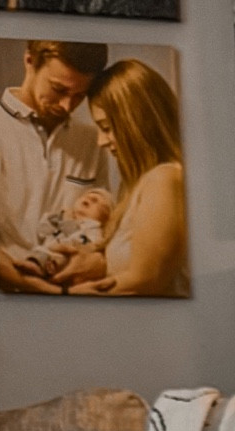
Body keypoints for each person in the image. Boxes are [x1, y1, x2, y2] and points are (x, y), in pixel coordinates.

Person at [65, 56, 188, 296]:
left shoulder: (164, 179)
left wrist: (67, 297)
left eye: (107, 128)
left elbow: (146, 280)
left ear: (138, 121)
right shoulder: (139, 184)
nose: (101, 141)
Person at [0, 37, 107, 294]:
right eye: (59, 89)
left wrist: (97, 261)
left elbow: (100, 225)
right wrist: (32, 285)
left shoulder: (93, 140)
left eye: (79, 96)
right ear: (29, 61)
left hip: (78, 297)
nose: (67, 106)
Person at [20, 182, 111, 273]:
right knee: (38, 254)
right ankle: (33, 264)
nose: (85, 202)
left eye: (94, 201)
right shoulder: (64, 217)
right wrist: (51, 220)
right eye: (84, 197)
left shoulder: (94, 228)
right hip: (45, 250)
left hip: (66, 259)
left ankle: (43, 268)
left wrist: (69, 225)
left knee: (59, 259)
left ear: (105, 217)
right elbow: (42, 233)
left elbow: (88, 246)